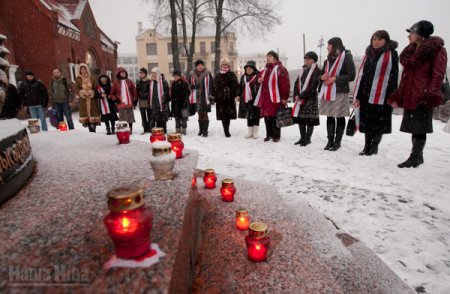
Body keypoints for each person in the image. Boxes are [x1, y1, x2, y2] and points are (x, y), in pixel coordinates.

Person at [388, 20, 447, 168]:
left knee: (420, 126)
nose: (409, 36)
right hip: (411, 93)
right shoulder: (411, 51)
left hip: (423, 94)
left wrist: (430, 93)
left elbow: (438, 74)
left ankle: (415, 157)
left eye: (412, 33)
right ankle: (417, 156)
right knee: (414, 126)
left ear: (420, 35)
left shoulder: (437, 50)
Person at [353, 31, 399, 156]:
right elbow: (362, 75)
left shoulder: (392, 54)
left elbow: (394, 75)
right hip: (366, 93)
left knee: (378, 122)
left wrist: (392, 94)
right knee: (367, 122)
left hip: (383, 93)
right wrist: (358, 95)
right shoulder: (368, 55)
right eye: (374, 39)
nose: (376, 42)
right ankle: (366, 146)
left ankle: (374, 147)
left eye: (379, 39)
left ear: (386, 40)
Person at [319, 37, 356, 151]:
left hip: (339, 90)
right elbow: (320, 75)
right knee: (330, 115)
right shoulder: (327, 60)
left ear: (335, 46)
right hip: (327, 90)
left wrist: (335, 78)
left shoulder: (347, 57)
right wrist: (321, 77)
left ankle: (337, 142)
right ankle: (330, 140)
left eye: (329, 45)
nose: (327, 47)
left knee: (339, 116)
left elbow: (351, 75)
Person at [255, 50, 290, 142]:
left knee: (275, 117)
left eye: (270, 56)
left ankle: (276, 135)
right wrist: (258, 80)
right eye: (267, 56)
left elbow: (285, 84)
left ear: (275, 58)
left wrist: (284, 97)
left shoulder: (281, 69)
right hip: (266, 97)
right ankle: (269, 134)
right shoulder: (265, 70)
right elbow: (257, 81)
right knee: (267, 117)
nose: (268, 58)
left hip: (276, 97)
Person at [292, 51, 321, 146]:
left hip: (310, 98)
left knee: (309, 120)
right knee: (301, 119)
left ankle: (308, 139)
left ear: (314, 60)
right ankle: (302, 137)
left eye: (309, 59)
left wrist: (302, 95)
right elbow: (297, 83)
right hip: (301, 98)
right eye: (305, 59)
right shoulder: (303, 70)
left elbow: (313, 86)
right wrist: (296, 94)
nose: (307, 61)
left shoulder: (317, 71)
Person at [213, 58, 239, 137]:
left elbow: (236, 85)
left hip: (229, 98)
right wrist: (214, 97)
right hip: (220, 98)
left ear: (228, 66)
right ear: (221, 66)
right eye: (223, 65)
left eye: (226, 65)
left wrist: (236, 94)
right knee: (223, 115)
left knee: (228, 115)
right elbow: (215, 87)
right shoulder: (217, 75)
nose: (225, 66)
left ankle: (227, 129)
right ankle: (226, 130)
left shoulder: (232, 74)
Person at [188, 59, 214, 137]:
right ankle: (201, 130)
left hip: (205, 97)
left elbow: (211, 85)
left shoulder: (208, 74)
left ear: (203, 66)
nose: (200, 66)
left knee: (204, 113)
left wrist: (211, 95)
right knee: (199, 114)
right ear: (196, 67)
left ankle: (205, 131)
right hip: (196, 97)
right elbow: (189, 85)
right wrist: (191, 86)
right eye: (198, 65)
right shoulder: (192, 75)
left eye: (201, 65)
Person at [110, 67, 137, 134]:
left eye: (124, 73)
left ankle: (130, 129)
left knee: (130, 117)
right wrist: (115, 99)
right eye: (122, 73)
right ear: (119, 74)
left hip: (129, 102)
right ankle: (124, 129)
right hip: (121, 103)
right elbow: (111, 94)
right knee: (122, 118)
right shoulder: (116, 83)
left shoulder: (129, 81)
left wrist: (135, 99)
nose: (123, 74)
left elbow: (134, 91)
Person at [74, 64, 100, 132]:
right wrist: (82, 93)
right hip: (83, 100)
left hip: (92, 99)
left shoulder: (92, 78)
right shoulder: (78, 79)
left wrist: (91, 92)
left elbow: (95, 87)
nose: (83, 71)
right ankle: (90, 129)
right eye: (81, 69)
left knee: (93, 113)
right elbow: (76, 88)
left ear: (86, 69)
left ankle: (94, 128)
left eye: (84, 69)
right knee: (86, 115)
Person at [238, 60, 260, 139]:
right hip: (246, 100)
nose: (249, 70)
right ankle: (250, 132)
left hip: (256, 100)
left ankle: (255, 132)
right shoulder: (243, 77)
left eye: (250, 68)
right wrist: (238, 95)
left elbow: (260, 87)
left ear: (254, 69)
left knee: (256, 116)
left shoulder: (258, 76)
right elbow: (240, 87)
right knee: (249, 116)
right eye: (247, 68)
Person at [148, 67, 170, 133]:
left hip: (162, 103)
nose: (153, 75)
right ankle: (158, 131)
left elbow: (167, 92)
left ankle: (164, 130)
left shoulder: (163, 82)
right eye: (152, 73)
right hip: (154, 103)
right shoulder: (151, 82)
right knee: (156, 118)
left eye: (154, 73)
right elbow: (149, 92)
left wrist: (164, 98)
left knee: (162, 118)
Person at [170, 70, 190, 135]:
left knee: (184, 117)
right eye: (174, 76)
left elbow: (187, 93)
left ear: (179, 76)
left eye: (176, 76)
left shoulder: (184, 83)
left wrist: (183, 101)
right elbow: (172, 94)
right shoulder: (173, 83)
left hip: (183, 103)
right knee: (177, 117)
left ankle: (184, 130)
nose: (175, 77)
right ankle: (177, 129)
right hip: (176, 103)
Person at [136, 67, 151, 134]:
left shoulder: (149, 81)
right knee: (143, 116)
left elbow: (150, 91)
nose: (141, 74)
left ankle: (150, 128)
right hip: (141, 100)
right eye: (140, 73)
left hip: (147, 100)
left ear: (145, 74)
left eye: (142, 73)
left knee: (149, 115)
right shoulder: (138, 82)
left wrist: (145, 95)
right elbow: (136, 91)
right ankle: (145, 128)